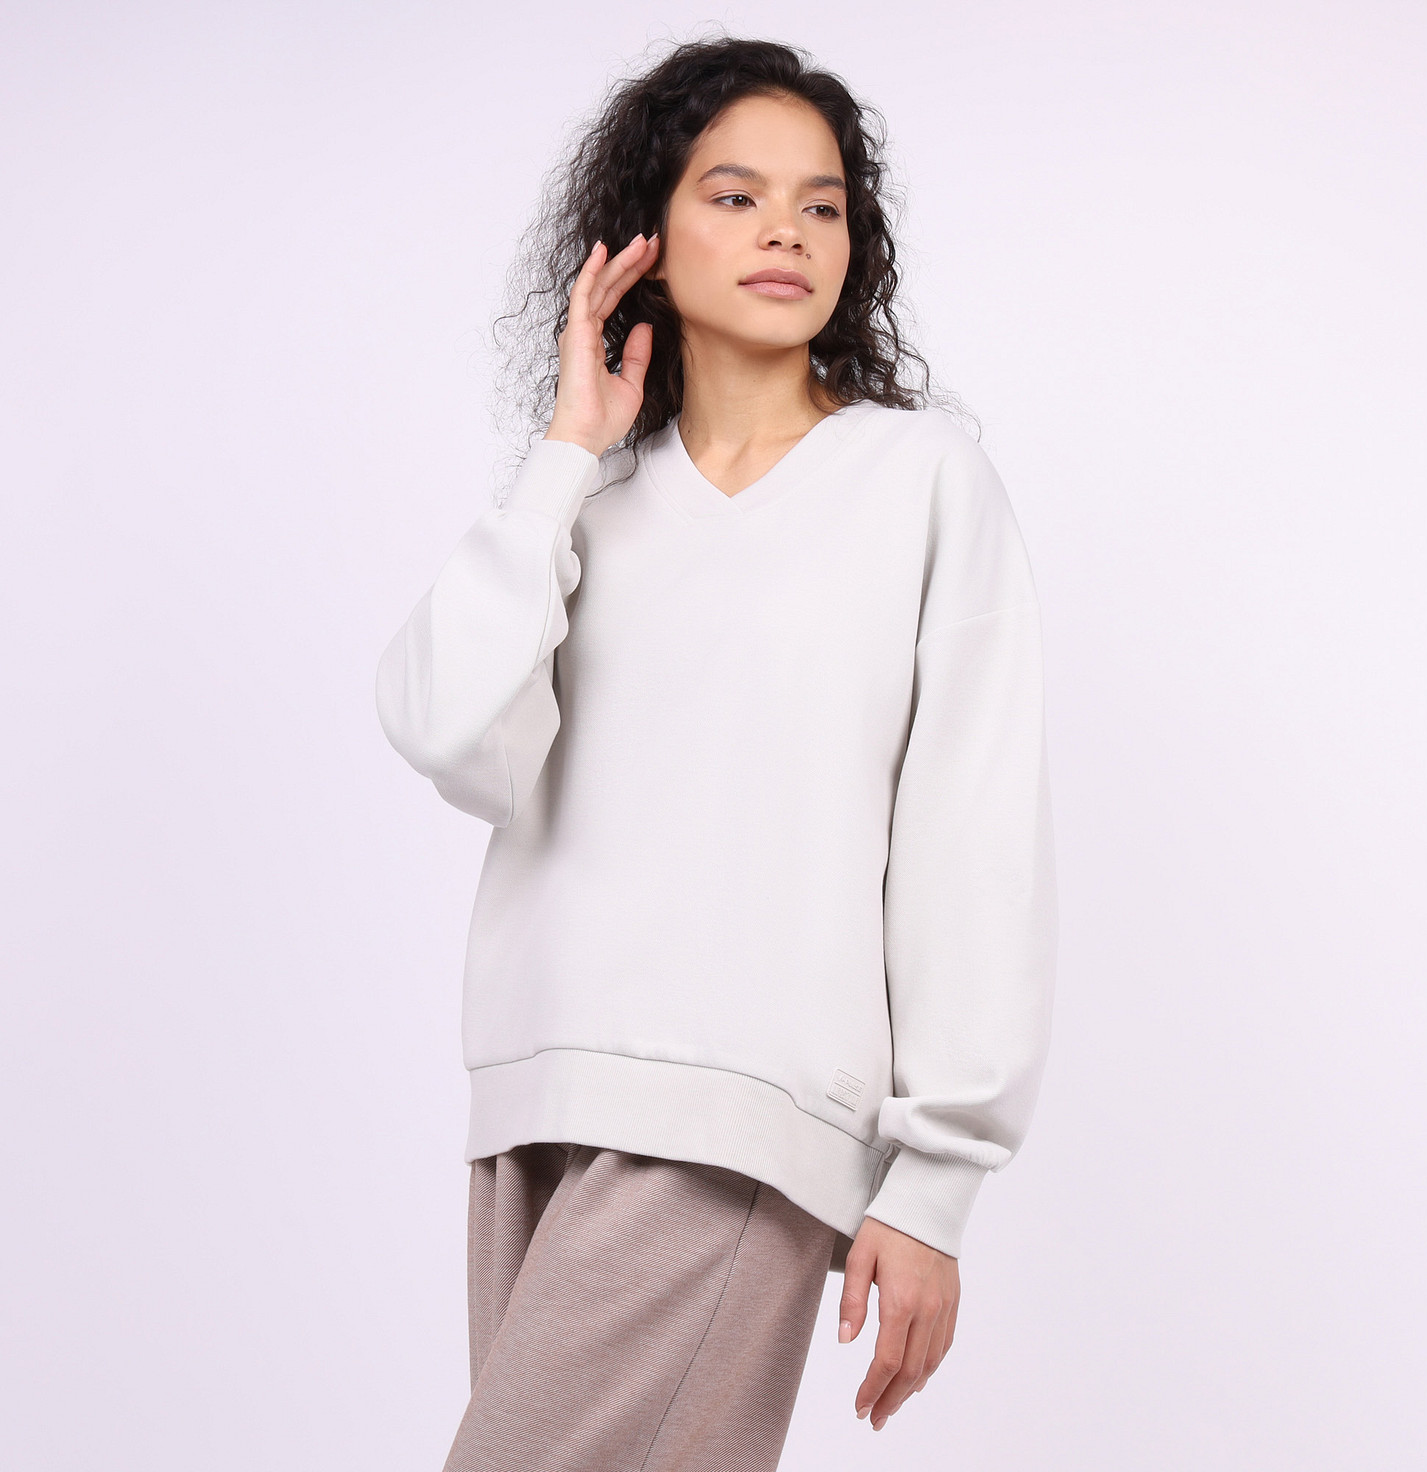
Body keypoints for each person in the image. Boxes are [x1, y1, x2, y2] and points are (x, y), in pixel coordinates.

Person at [375, 34, 1058, 1472]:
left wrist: (934, 1181)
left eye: (821, 204)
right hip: (535, 1100)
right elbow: (450, 736)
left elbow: (971, 832)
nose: (785, 233)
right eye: (736, 196)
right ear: (646, 234)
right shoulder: (587, 499)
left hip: (741, 1111)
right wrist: (564, 451)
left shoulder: (920, 480)